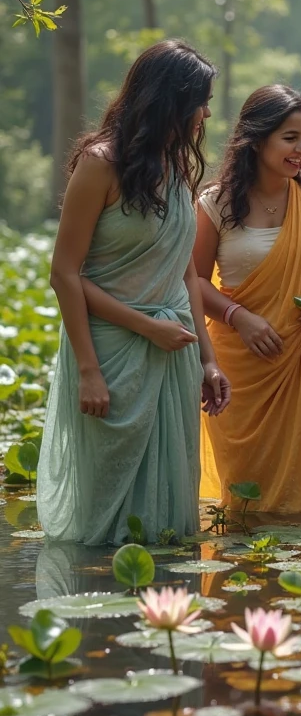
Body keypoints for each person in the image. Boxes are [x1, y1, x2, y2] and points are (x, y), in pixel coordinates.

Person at [37, 40, 231, 546]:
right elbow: (65, 274)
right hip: (109, 352)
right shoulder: (100, 164)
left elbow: (187, 275)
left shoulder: (177, 168)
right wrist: (89, 370)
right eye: (200, 101)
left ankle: (162, 611)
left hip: (175, 354)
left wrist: (208, 361)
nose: (206, 113)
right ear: (170, 100)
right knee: (106, 516)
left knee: (168, 516)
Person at [194, 84, 301, 515]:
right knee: (246, 503)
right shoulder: (216, 203)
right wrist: (238, 316)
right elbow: (194, 281)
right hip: (238, 366)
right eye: (290, 137)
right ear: (257, 139)